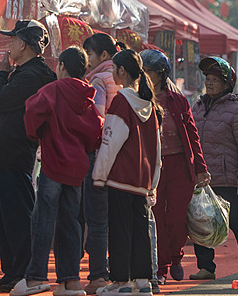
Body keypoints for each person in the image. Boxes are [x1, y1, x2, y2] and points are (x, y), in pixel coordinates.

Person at [13, 47, 104, 296]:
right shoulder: (87, 94)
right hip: (77, 166)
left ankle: (36, 277)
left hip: (53, 162)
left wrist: (38, 133)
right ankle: (70, 280)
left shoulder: (53, 90)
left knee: (43, 219)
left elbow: (31, 112)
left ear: (61, 65)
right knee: (70, 222)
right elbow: (97, 125)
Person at [0, 20, 57, 292]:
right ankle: (12, 270)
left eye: (13, 39)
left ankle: (23, 271)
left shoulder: (31, 75)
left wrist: (1, 75)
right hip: (9, 151)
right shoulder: (28, 71)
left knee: (17, 214)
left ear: (24, 44)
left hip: (16, 152)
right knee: (7, 215)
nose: (9, 45)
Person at [91, 49, 162, 296]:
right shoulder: (150, 105)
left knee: (119, 230)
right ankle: (142, 282)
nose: (112, 73)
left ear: (122, 71)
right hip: (142, 181)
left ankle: (121, 281)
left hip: (120, 178)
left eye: (113, 69)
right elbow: (157, 151)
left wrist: (99, 175)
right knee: (140, 231)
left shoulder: (122, 100)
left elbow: (111, 142)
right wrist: (152, 182)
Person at [140, 49, 209, 282]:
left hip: (180, 165)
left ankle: (176, 256)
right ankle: (160, 267)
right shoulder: (139, 99)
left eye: (147, 71)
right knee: (156, 216)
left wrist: (201, 168)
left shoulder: (178, 101)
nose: (144, 75)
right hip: (152, 167)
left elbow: (192, 135)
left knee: (178, 217)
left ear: (160, 73)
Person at [190, 56, 238, 282]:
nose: (209, 83)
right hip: (202, 177)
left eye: (214, 80)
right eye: (207, 79)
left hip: (229, 178)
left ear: (227, 83)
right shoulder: (198, 107)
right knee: (201, 221)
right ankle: (206, 267)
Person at [82, 32, 121, 294]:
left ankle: (97, 275)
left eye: (90, 55)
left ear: (103, 56)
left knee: (96, 218)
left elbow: (96, 118)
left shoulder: (98, 79)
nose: (87, 61)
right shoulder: (120, 78)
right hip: (121, 155)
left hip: (99, 154)